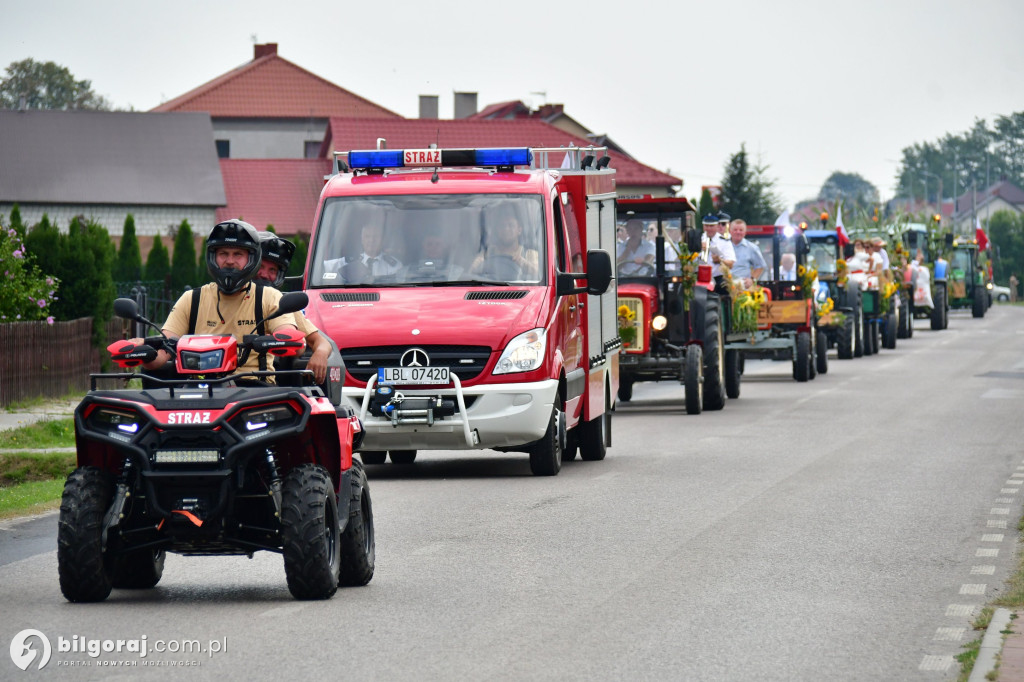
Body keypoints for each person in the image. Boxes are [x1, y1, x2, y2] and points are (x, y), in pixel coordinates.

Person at [139, 219, 299, 376]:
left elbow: (289, 335)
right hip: (201, 392)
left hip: (256, 391)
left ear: (252, 258)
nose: (230, 261)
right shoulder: (191, 299)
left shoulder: (269, 297)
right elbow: (163, 350)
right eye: (223, 254)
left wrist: (279, 340)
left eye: (238, 254)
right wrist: (144, 352)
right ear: (212, 257)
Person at [255, 232, 331, 385]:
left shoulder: (281, 303)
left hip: (263, 383)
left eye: (272, 270)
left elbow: (322, 342)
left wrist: (320, 354)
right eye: (261, 267)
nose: (265, 275)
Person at [470, 205, 539, 279]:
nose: (506, 229)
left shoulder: (529, 254)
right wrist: (476, 265)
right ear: (498, 230)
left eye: (511, 225)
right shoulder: (488, 252)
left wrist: (524, 264)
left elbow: (539, 275)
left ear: (519, 230)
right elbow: (471, 273)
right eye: (502, 226)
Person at [325, 222, 402, 282]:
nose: (371, 240)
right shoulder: (348, 262)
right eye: (367, 236)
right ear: (362, 240)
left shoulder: (394, 266)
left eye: (376, 236)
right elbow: (323, 267)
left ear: (382, 240)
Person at [728, 219, 767, 288]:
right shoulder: (723, 246)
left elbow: (760, 266)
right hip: (725, 285)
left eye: (741, 230)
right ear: (730, 231)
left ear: (745, 232)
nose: (738, 232)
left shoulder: (752, 248)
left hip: (743, 287)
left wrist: (752, 280)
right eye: (735, 230)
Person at [701, 214, 735, 282]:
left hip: (718, 279)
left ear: (717, 226)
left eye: (711, 226)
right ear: (703, 226)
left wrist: (720, 260)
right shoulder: (698, 239)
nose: (709, 229)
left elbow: (731, 264)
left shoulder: (724, 242)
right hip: (700, 277)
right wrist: (699, 248)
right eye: (706, 226)